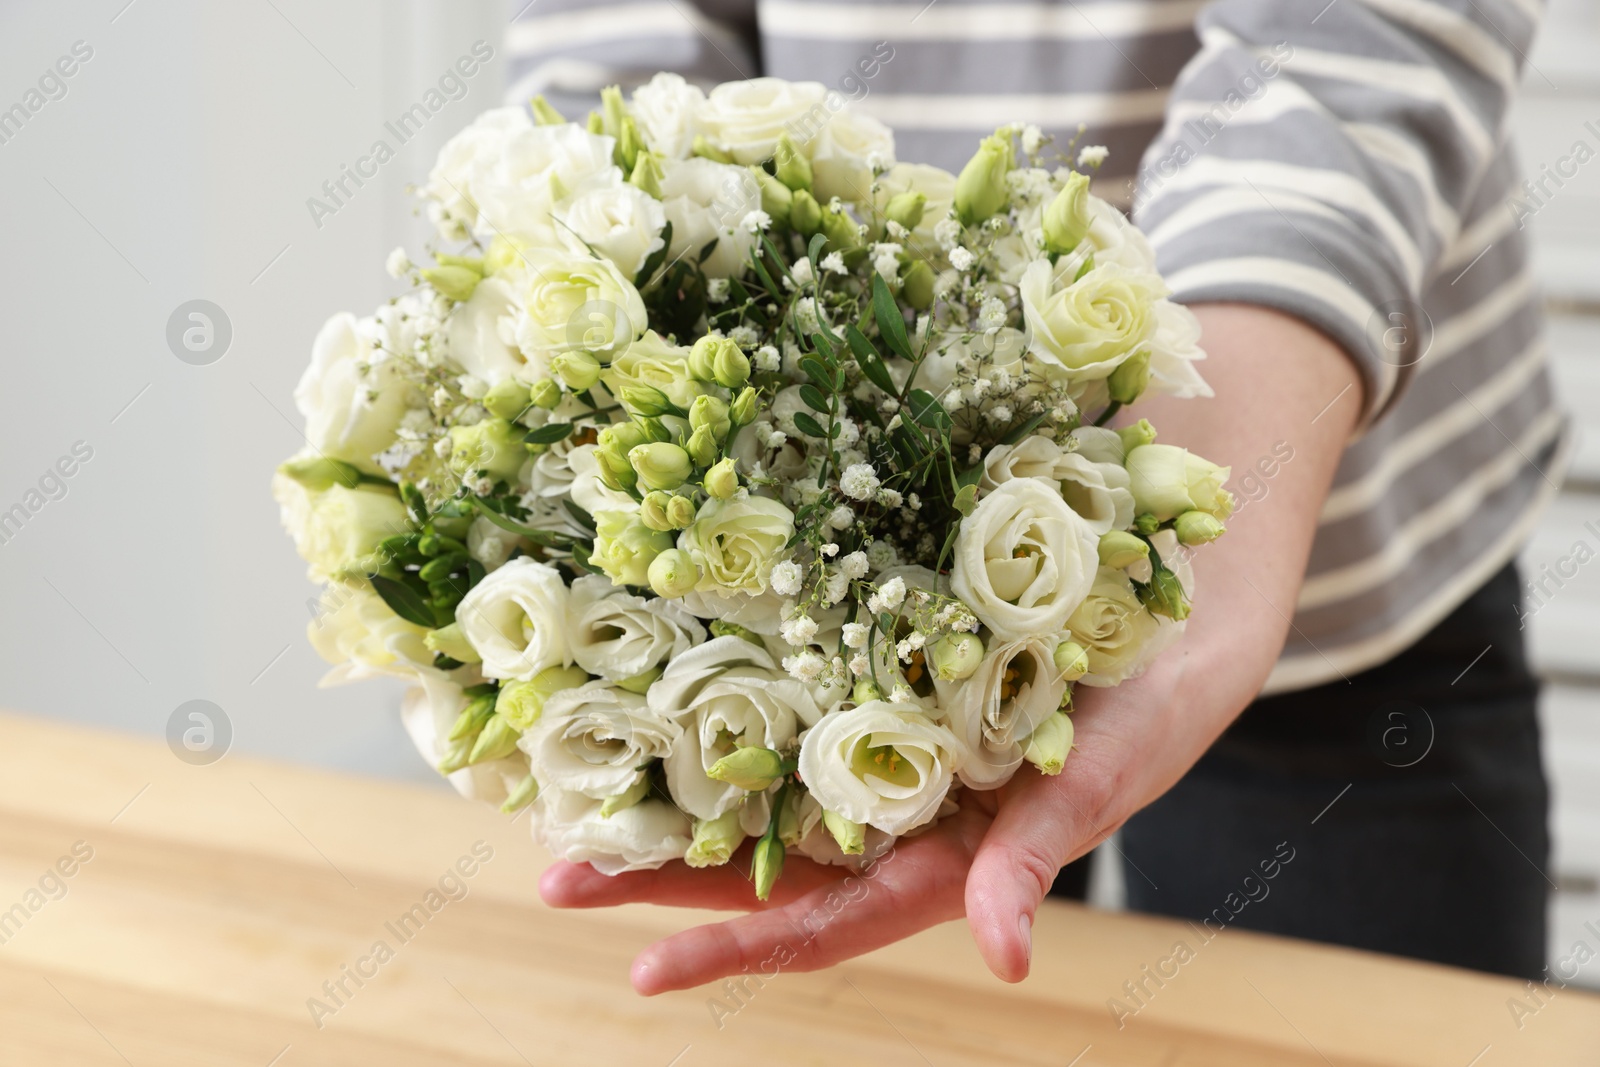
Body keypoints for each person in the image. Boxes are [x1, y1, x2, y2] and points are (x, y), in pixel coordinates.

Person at [511, 0, 1564, 993]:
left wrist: (1225, 494)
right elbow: (621, 45)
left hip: (1335, 573)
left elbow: (1355, 38)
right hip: (826, 651)